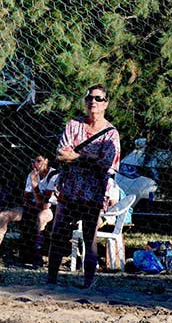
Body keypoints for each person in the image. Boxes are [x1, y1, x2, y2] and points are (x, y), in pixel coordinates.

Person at [47, 84, 121, 289]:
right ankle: (51, 280)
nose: (93, 102)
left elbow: (106, 163)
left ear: (106, 103)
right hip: (69, 189)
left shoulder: (111, 134)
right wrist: (90, 158)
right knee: (58, 235)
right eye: (89, 98)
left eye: (98, 98)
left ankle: (88, 283)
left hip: (94, 194)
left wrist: (77, 157)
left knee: (90, 239)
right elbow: (61, 154)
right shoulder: (73, 125)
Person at [0, 154, 58, 266]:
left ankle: (37, 255)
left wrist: (34, 185)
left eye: (39, 161)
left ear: (46, 161)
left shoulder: (53, 175)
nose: (35, 164)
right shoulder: (32, 174)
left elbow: (45, 203)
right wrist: (33, 201)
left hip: (51, 209)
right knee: (4, 215)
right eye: (33, 161)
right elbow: (25, 198)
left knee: (41, 218)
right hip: (32, 206)